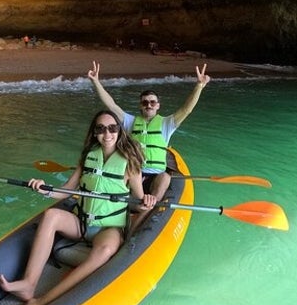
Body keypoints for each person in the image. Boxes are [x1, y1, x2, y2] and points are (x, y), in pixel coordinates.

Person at [0, 110, 154, 305]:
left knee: (105, 251)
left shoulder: (130, 162)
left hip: (109, 228)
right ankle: (29, 283)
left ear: (119, 131)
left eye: (112, 128)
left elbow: (137, 201)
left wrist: (146, 202)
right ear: (95, 132)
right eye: (101, 129)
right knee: (51, 215)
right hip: (81, 223)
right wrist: (44, 190)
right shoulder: (88, 157)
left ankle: (43, 300)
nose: (107, 134)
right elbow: (66, 191)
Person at [87, 61, 211, 204]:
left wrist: (199, 86)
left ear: (158, 106)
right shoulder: (130, 122)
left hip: (156, 176)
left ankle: (150, 206)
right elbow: (111, 105)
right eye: (145, 102)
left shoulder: (167, 124)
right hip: (133, 173)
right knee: (127, 172)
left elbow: (186, 110)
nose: (149, 105)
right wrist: (96, 81)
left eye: (152, 102)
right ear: (140, 106)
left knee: (166, 176)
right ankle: (119, 204)